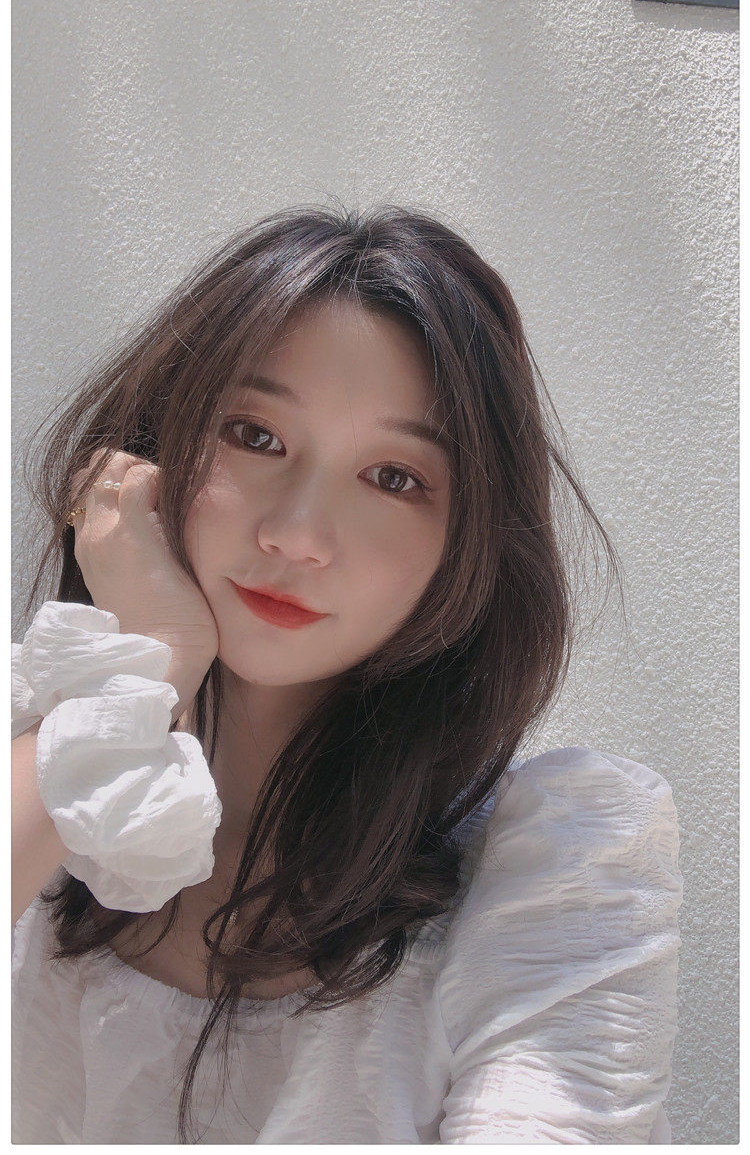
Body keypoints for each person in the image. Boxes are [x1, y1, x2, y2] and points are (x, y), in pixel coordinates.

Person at [11, 204, 683, 1144]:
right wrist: (146, 664)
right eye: (254, 435)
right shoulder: (39, 776)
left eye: (394, 478)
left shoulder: (552, 871)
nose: (296, 534)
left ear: (469, 543)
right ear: (154, 456)